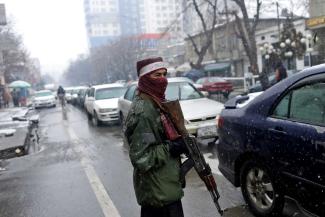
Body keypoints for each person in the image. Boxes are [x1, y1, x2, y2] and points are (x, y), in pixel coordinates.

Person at [124, 57, 188, 217]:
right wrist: (171, 148)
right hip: (158, 195)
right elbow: (142, 157)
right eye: (156, 75)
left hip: (165, 189)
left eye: (164, 74)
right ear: (145, 79)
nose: (162, 80)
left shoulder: (156, 102)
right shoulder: (144, 112)